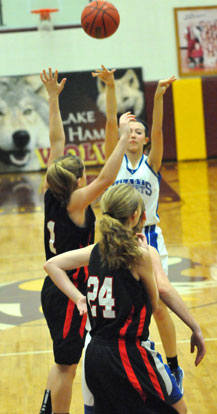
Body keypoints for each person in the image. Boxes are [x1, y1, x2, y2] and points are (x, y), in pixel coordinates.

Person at [44, 184, 205, 414]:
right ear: (136, 215)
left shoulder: (95, 250)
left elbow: (52, 264)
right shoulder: (140, 255)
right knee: (179, 410)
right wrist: (195, 328)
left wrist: (79, 298)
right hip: (129, 352)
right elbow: (155, 302)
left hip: (95, 353)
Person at [39, 67, 135, 414]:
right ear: (78, 180)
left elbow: (56, 142)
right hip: (67, 290)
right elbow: (108, 177)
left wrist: (53, 99)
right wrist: (124, 137)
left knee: (64, 362)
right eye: (83, 173)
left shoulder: (52, 189)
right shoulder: (75, 201)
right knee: (66, 366)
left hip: (61, 285)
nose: (87, 175)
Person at [91, 66, 184, 390]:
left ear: (145, 140)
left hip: (151, 239)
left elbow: (158, 129)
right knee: (125, 305)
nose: (133, 135)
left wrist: (157, 96)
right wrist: (110, 87)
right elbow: (110, 124)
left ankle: (173, 365)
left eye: (138, 133)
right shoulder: (112, 162)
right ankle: (134, 352)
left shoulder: (152, 162)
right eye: (129, 132)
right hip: (115, 241)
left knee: (158, 306)